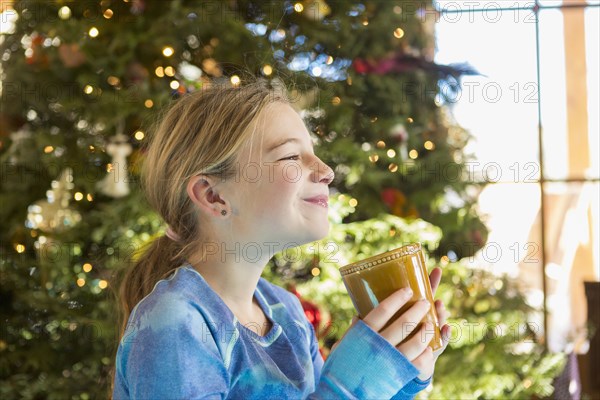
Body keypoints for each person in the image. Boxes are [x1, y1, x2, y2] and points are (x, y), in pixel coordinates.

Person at [111, 78, 451, 399]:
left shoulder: (286, 312)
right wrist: (349, 386)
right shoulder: (175, 322)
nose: (326, 171)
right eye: (291, 156)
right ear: (213, 195)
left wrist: (400, 371)